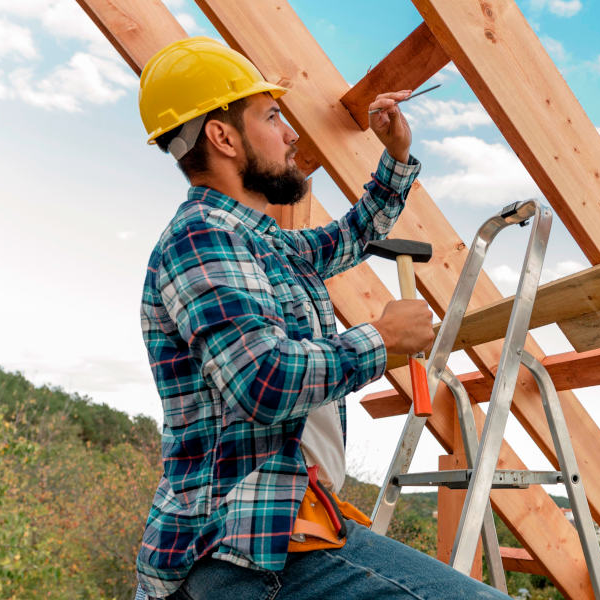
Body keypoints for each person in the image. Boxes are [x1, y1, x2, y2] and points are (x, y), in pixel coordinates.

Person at [132, 37, 510, 600]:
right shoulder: (203, 238)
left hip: (285, 529)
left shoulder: (262, 245)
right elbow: (264, 380)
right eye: (273, 115)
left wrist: (397, 157)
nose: (291, 135)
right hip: (247, 550)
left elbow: (353, 236)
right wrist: (382, 340)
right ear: (222, 136)